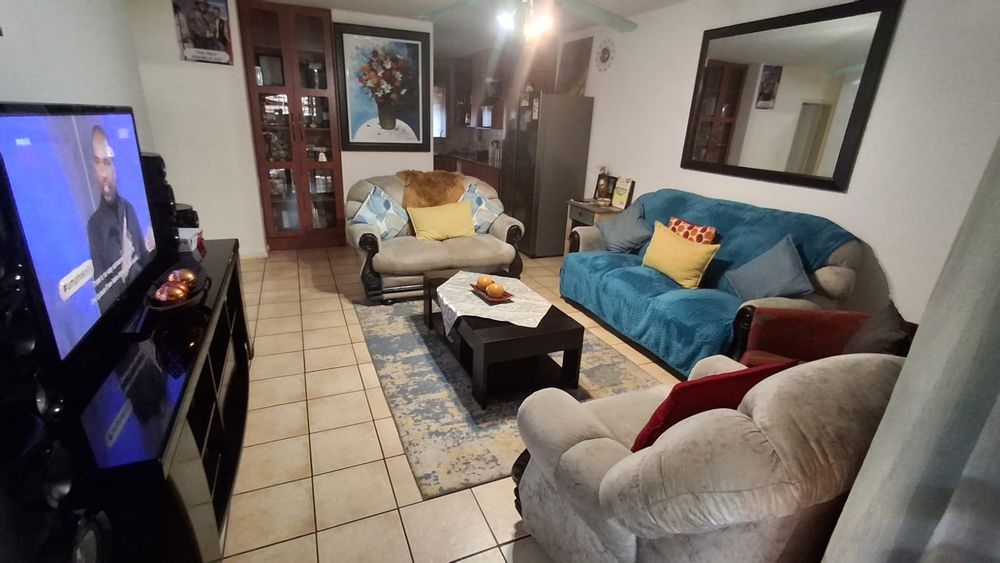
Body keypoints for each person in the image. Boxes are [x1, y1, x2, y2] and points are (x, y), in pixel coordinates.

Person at [86, 125, 150, 312]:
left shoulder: (128, 209)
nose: (103, 174)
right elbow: (103, 294)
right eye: (97, 162)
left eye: (107, 162)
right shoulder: (94, 226)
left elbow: (145, 261)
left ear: (114, 166)